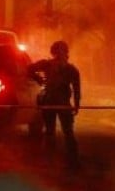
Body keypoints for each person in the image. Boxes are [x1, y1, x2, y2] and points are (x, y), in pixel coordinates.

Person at [28, 40, 82, 168]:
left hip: (58, 103)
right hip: (54, 102)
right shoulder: (68, 68)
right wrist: (39, 79)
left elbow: (77, 89)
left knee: (61, 132)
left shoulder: (70, 69)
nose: (60, 55)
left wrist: (76, 104)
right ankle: (60, 160)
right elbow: (29, 69)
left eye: (62, 52)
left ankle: (63, 160)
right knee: (57, 131)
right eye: (59, 51)